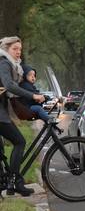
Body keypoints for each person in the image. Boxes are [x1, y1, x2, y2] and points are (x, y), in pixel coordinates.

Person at [0, 37, 44, 197]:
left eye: (20, 49)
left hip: (2, 111)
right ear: (6, 49)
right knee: (19, 141)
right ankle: (15, 182)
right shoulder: (4, 63)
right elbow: (9, 85)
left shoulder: (12, 65)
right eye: (15, 49)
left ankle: (10, 183)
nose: (18, 52)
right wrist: (33, 96)